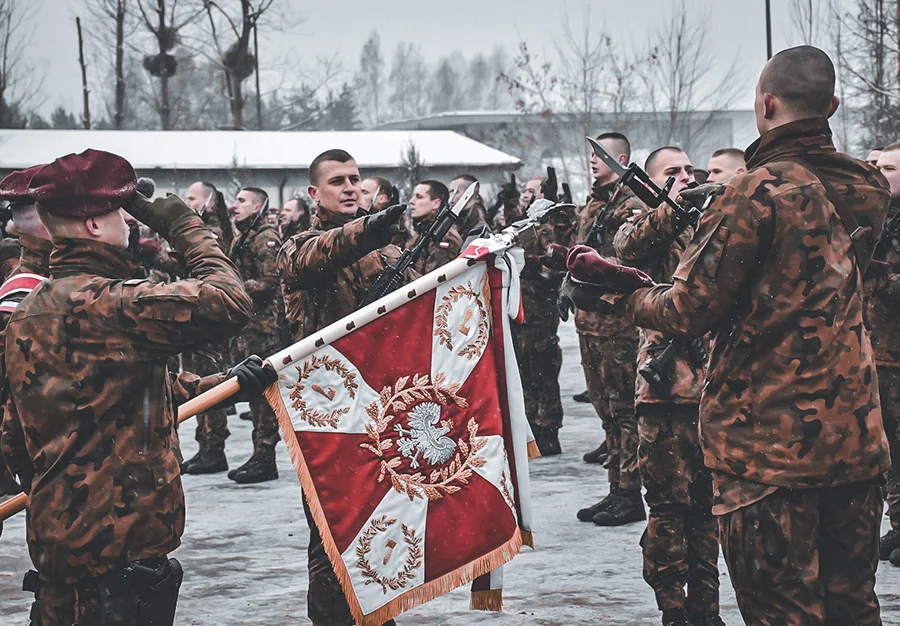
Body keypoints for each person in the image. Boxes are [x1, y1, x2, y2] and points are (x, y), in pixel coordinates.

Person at [574, 46, 890, 625]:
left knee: (781, 611)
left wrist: (626, 293)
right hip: (853, 441)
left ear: (765, 104)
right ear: (834, 106)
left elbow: (690, 308)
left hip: (767, 448)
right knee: (852, 606)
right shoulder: (868, 186)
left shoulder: (753, 192)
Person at [1, 149, 274, 625]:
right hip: (115, 557)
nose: (131, 222)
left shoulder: (32, 309)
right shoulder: (113, 303)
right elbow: (231, 300)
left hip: (68, 548)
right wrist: (184, 225)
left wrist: (225, 386)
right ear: (92, 225)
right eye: (120, 212)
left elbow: (27, 425)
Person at [278, 148, 410, 626]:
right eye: (338, 181)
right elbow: (321, 256)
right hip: (327, 416)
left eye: (355, 178)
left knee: (385, 527)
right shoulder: (297, 246)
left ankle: (378, 615)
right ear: (315, 193)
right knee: (333, 535)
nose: (351, 187)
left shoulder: (389, 250)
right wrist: (372, 228)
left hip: (384, 408)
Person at [612, 147, 722, 626]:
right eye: (671, 172)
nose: (685, 176)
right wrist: (670, 207)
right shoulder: (645, 220)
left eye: (688, 170)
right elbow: (626, 248)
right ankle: (673, 609)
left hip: (716, 388)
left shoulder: (714, 220)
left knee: (708, 510)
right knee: (668, 511)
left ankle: (706, 609)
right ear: (652, 182)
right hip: (664, 393)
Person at [573, 133, 644, 525]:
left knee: (623, 411)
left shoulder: (630, 204)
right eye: (591, 154)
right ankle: (615, 486)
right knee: (606, 413)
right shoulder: (596, 204)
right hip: (591, 322)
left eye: (600, 155)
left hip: (616, 324)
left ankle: (630, 493)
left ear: (621, 158)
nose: (592, 161)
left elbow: (627, 260)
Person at [226, 186, 285, 484]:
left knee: (264, 397)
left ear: (258, 206)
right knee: (254, 395)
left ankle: (265, 458)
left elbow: (271, 281)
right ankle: (259, 455)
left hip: (265, 329)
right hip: (249, 327)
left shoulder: (265, 237)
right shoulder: (245, 235)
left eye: (241, 201)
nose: (234, 206)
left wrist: (234, 287)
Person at [180, 180, 236, 474]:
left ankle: (214, 448)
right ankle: (204, 446)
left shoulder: (211, 232)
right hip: (193, 319)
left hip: (208, 320)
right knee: (195, 382)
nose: (186, 202)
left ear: (208, 201)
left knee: (209, 382)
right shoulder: (195, 228)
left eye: (191, 197)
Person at [515, 184, 574, 456]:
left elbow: (551, 271)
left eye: (533, 192)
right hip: (525, 313)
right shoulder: (528, 227)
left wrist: (529, 264)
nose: (529, 197)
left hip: (541, 313)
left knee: (544, 372)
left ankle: (549, 430)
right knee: (527, 373)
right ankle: (534, 427)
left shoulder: (547, 230)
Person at [870, 144, 900, 566]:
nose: (878, 173)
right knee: (888, 450)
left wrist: (884, 276)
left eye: (888, 168)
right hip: (874, 355)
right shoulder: (877, 219)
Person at [406, 180, 464, 274]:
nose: (411, 201)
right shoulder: (423, 231)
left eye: (419, 197)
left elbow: (431, 281)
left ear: (436, 203)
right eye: (413, 196)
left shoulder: (444, 236)